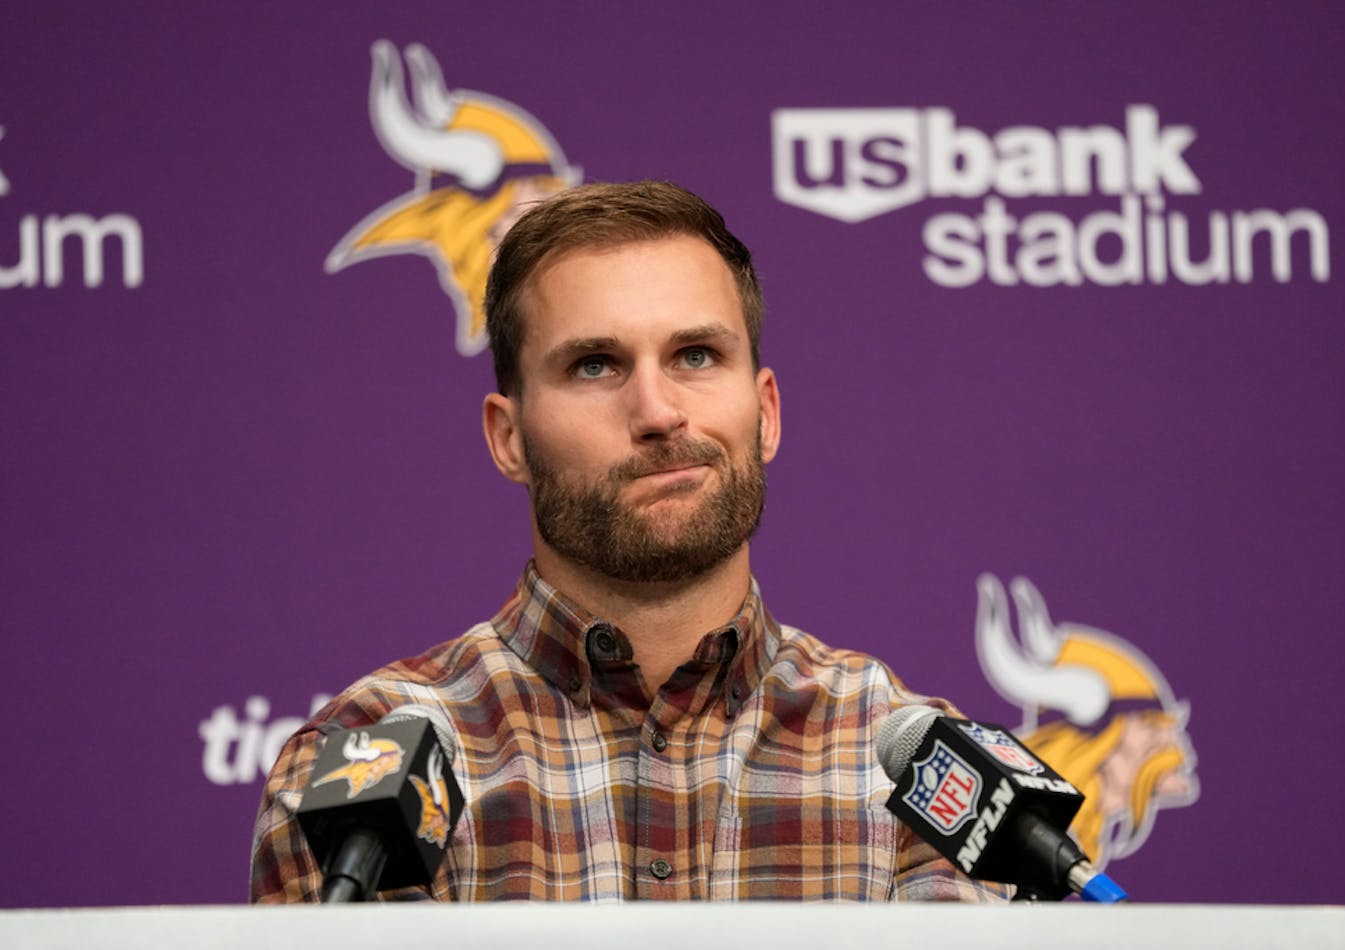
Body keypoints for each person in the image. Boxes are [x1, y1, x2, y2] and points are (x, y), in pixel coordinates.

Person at [250, 180, 1009, 902]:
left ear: (766, 413)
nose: (657, 411)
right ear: (508, 437)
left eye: (696, 356)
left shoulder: (919, 766)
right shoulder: (374, 754)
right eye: (594, 365)